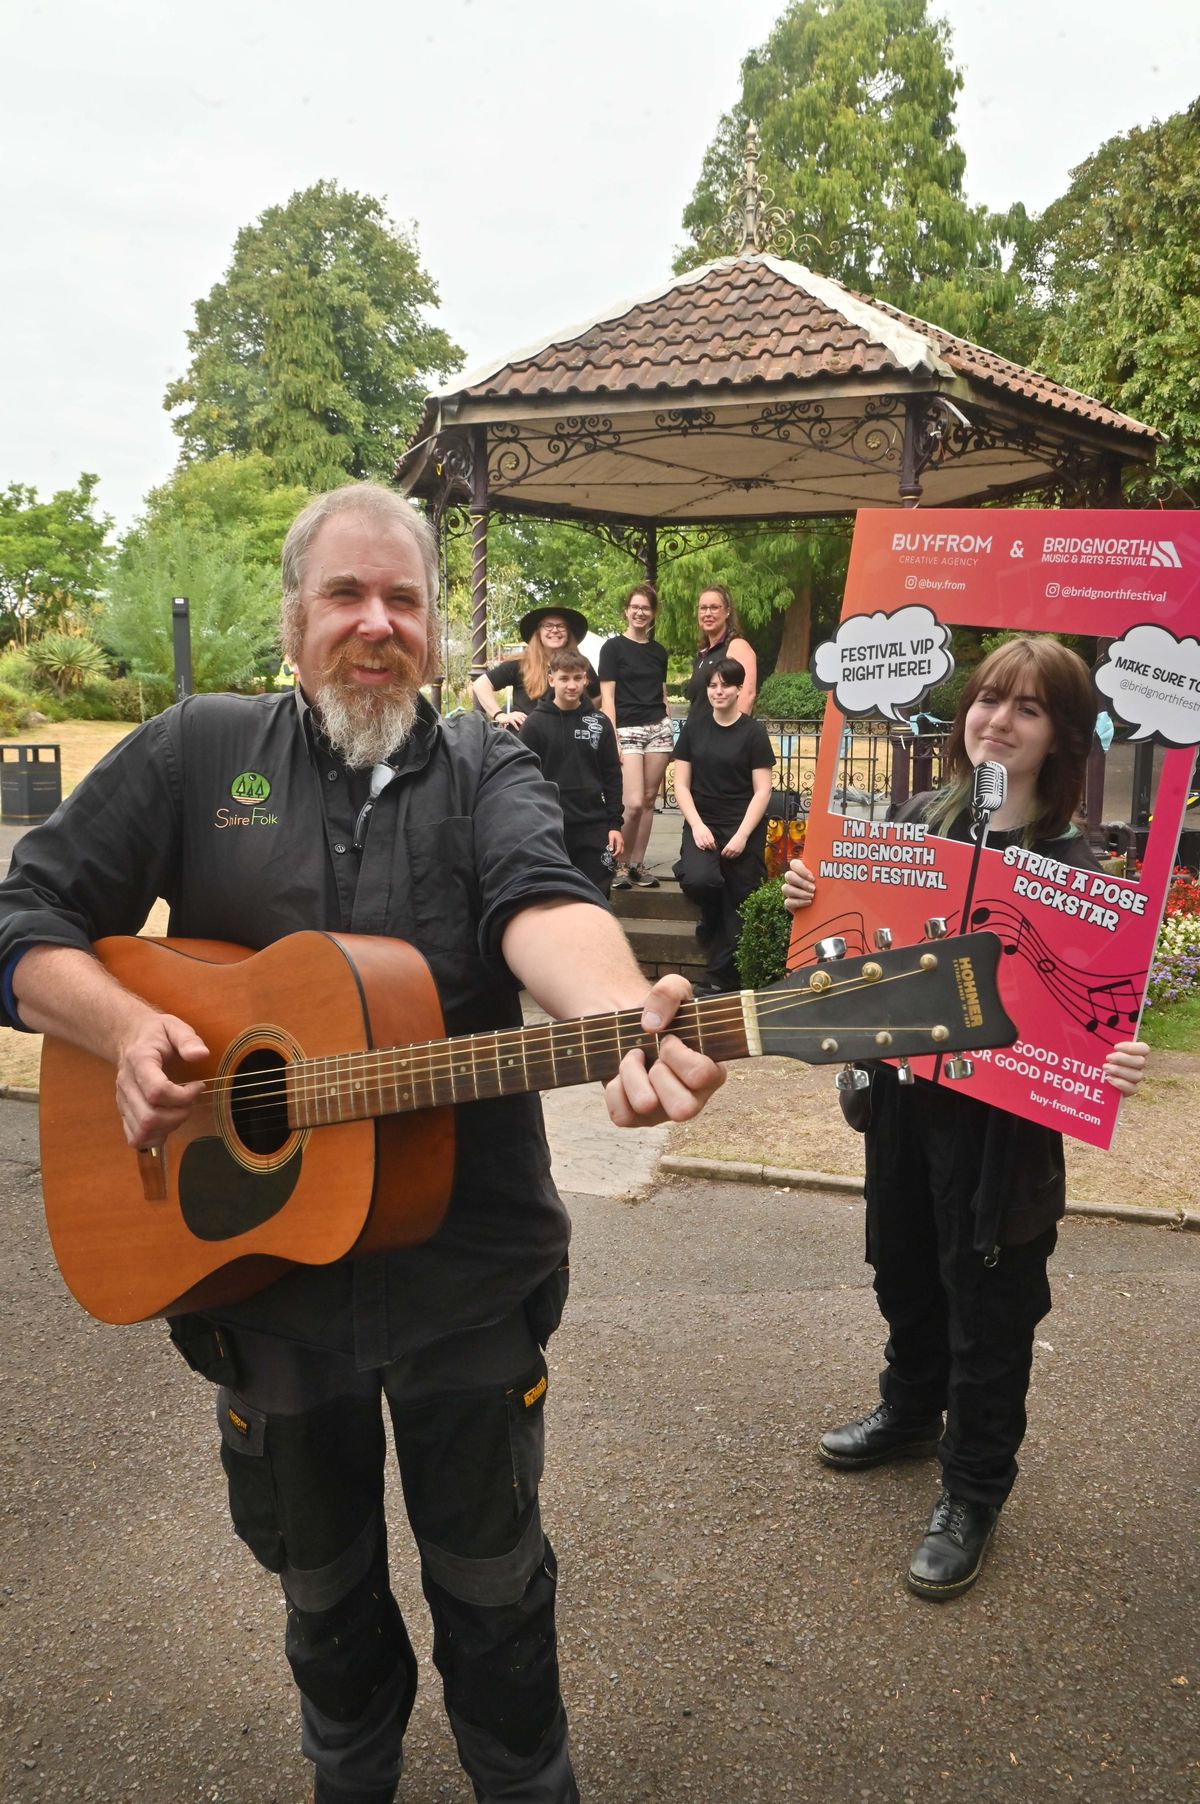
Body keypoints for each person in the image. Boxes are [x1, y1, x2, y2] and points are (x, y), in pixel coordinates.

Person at [0, 483, 725, 1804]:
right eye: (347, 595)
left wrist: (622, 1017)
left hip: (468, 1283)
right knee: (322, 1600)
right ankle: (352, 1768)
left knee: (496, 1591)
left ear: (439, 635)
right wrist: (117, 1028)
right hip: (258, 1290)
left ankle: (524, 1775)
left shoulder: (488, 767)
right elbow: (26, 918)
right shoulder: (196, 755)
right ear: (293, 619)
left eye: (405, 600)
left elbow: (543, 903)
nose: (376, 624)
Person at [784, 636, 1148, 1601]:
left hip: (1003, 1132)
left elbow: (1091, 1012)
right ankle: (911, 1408)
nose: (998, 719)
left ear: (1062, 735)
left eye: (1027, 708)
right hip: (906, 1102)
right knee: (901, 1261)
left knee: (990, 1301)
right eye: (989, 699)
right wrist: (816, 903)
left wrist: (1116, 1053)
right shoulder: (911, 822)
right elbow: (852, 957)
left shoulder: (1081, 869)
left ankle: (975, 1486)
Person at [673, 657, 775, 996]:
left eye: (725, 685)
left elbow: (762, 790)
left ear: (738, 689)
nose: (718, 691)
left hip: (742, 822)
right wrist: (698, 826)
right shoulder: (694, 728)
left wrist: (743, 835)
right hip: (703, 820)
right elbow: (681, 785)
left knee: (740, 895)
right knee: (702, 879)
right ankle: (707, 911)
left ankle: (720, 979)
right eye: (713, 685)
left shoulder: (754, 733)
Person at [519, 647, 624, 900]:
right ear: (551, 679)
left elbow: (612, 776)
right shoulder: (535, 724)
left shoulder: (599, 723)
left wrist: (615, 824)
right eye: (564, 678)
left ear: (586, 679)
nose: (571, 685)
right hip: (549, 826)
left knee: (596, 896)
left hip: (594, 825)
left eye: (578, 678)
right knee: (556, 897)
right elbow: (523, 779)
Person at [598, 582, 672, 892]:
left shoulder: (658, 652)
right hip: (626, 730)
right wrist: (611, 735)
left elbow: (662, 691)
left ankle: (638, 864)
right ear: (626, 611)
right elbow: (607, 696)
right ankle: (618, 863)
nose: (640, 612)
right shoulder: (613, 648)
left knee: (647, 801)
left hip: (658, 728)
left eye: (646, 608)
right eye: (635, 607)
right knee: (630, 803)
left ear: (653, 614)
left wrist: (668, 721)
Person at [471, 606, 599, 729]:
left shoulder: (581, 664)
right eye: (548, 626)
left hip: (570, 739)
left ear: (568, 632)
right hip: (527, 742)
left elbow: (599, 695)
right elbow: (481, 684)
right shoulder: (520, 663)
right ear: (538, 632)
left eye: (561, 626)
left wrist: (583, 716)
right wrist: (500, 715)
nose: (555, 630)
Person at [685, 584, 756, 722]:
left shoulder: (737, 646)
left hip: (721, 737)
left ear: (727, 611)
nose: (708, 613)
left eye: (714, 607)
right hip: (697, 736)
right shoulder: (703, 654)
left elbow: (747, 695)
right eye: (703, 608)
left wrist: (732, 735)